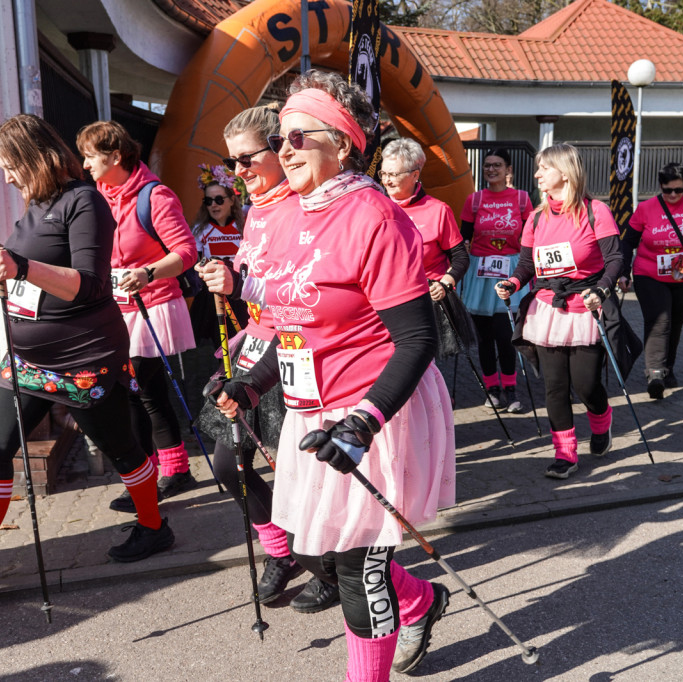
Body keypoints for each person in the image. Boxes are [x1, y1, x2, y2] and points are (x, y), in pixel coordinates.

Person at [208, 70, 455, 679]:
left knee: (354, 566)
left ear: (342, 144)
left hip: (375, 411)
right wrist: (253, 383)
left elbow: (419, 338)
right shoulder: (292, 215)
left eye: (297, 137)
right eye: (281, 138)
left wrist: (363, 423)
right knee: (330, 545)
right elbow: (298, 325)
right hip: (313, 409)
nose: (283, 149)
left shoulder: (376, 217)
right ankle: (423, 600)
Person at [0, 114, 173, 603]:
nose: (6, 177)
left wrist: (21, 264)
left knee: (123, 450)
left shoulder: (83, 201)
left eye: (10, 166)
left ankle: (154, 526)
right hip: (26, 359)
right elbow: (29, 269)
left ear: (33, 156)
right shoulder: (37, 204)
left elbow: (88, 284)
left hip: (83, 359)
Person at [195, 104, 336, 610]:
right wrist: (229, 286)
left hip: (294, 354)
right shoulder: (256, 212)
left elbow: (306, 296)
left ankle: (332, 568)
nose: (239, 173)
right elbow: (253, 282)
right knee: (228, 464)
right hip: (253, 349)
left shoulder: (306, 207)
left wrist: (240, 282)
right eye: (231, 163)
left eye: (248, 159)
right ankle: (282, 552)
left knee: (306, 475)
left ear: (281, 150)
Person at [77, 120, 200, 502]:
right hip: (114, 309)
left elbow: (186, 252)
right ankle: (163, 473)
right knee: (133, 393)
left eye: (89, 156)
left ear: (116, 156)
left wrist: (147, 273)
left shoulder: (155, 196)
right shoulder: (96, 195)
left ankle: (167, 473)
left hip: (151, 305)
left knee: (143, 392)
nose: (84, 165)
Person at [497, 143, 622, 480]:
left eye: (543, 168)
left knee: (585, 384)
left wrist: (602, 288)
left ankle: (601, 420)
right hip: (547, 308)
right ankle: (565, 454)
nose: (537, 175)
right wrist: (512, 282)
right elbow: (526, 264)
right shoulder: (537, 218)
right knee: (554, 386)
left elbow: (614, 259)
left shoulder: (596, 211)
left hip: (585, 307)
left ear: (564, 173)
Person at [619, 162, 683, 399]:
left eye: (679, 190)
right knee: (660, 321)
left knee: (675, 322)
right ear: (660, 186)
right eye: (668, 190)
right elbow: (628, 242)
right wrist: (623, 272)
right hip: (649, 273)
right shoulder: (646, 208)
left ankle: (668, 369)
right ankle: (654, 373)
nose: (674, 195)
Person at [380, 138, 472, 360]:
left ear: (414, 174)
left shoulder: (438, 210)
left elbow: (460, 257)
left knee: (421, 367)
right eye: (384, 174)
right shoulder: (374, 207)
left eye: (394, 174)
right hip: (384, 301)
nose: (387, 181)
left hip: (425, 302)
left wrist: (445, 284)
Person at [460, 148, 534, 412]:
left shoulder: (523, 199)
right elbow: (462, 239)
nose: (492, 170)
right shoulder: (475, 200)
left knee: (506, 334)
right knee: (484, 336)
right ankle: (491, 389)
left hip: (511, 271)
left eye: (497, 165)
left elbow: (533, 237)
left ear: (508, 169)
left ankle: (511, 388)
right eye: (488, 165)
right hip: (480, 273)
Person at [188, 167, 249, 347]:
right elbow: (196, 262)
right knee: (221, 344)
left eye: (219, 199)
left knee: (245, 338)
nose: (214, 205)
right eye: (208, 201)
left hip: (241, 290)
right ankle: (223, 372)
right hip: (214, 294)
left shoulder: (244, 226)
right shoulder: (201, 229)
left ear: (231, 200)